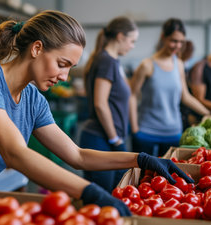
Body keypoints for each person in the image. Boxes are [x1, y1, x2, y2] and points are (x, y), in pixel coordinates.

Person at [0, 10, 193, 216]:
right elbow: (15, 153)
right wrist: (89, 192)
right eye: (62, 63)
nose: (64, 76)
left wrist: (140, 160)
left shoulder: (33, 100)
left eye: (70, 68)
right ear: (37, 48)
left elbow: (77, 156)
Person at [129, 18, 210, 157]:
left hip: (173, 133)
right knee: (141, 176)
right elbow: (132, 96)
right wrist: (135, 129)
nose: (177, 46)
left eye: (181, 42)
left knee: (168, 176)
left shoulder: (178, 64)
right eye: (173, 41)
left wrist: (208, 114)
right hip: (146, 132)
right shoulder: (146, 65)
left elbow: (185, 97)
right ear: (163, 38)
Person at [79, 16, 139, 192]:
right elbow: (100, 103)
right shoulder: (107, 61)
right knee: (104, 199)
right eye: (132, 41)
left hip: (107, 139)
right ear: (120, 36)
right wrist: (115, 139)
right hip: (102, 139)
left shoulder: (110, 60)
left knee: (111, 195)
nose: (132, 46)